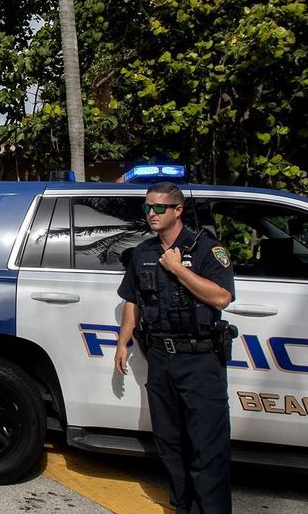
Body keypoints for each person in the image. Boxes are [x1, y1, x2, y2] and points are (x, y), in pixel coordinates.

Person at [115, 181, 235, 514]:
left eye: (159, 208)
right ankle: (183, 507)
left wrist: (177, 268)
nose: (151, 214)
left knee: (206, 447)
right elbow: (132, 299)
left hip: (200, 359)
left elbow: (221, 297)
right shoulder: (144, 252)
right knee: (170, 444)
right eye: (147, 207)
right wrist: (123, 341)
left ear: (178, 210)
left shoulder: (206, 249)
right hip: (160, 358)